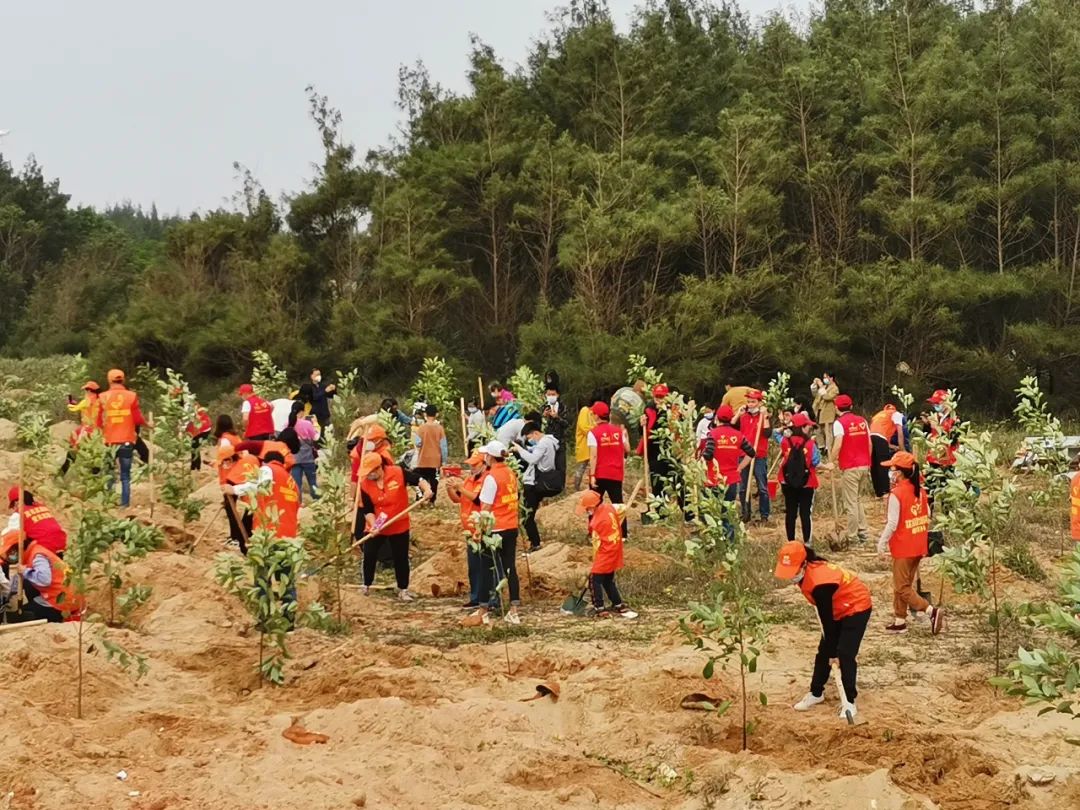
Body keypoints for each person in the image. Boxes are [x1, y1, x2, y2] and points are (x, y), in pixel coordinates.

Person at [774, 541, 872, 721]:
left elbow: (827, 622)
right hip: (837, 608)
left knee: (844, 654)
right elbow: (827, 625)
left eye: (794, 571)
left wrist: (834, 653)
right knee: (824, 652)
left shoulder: (821, 584)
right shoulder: (807, 574)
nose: (791, 576)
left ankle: (849, 700)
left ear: (804, 564)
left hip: (856, 607)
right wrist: (829, 650)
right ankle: (816, 692)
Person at [877, 452, 945, 635]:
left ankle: (930, 611)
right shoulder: (920, 491)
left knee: (902, 587)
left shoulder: (897, 494)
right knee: (904, 582)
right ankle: (900, 620)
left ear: (900, 472)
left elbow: (892, 523)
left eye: (892, 468)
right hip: (918, 544)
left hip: (903, 546)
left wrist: (881, 543)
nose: (890, 472)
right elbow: (928, 515)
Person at [355, 452, 433, 601]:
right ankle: (366, 585)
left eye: (370, 472)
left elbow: (418, 479)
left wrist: (427, 489)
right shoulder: (365, 484)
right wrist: (373, 526)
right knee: (369, 554)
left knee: (400, 557)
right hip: (378, 522)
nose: (368, 476)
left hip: (399, 523)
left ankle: (403, 589)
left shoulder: (397, 472)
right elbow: (368, 510)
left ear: (378, 468)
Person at [474, 441, 521, 623]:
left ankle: (483, 609)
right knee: (510, 568)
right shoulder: (510, 473)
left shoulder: (491, 477)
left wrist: (479, 530)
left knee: (486, 568)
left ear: (490, 457)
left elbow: (485, 507)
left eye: (486, 455)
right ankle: (514, 610)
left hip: (495, 529)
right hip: (511, 526)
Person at [0, 529, 84, 622]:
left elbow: (44, 580)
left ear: (19, 547)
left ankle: (52, 617)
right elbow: (17, 582)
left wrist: (25, 571)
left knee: (21, 617)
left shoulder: (38, 556)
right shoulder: (33, 551)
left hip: (63, 600)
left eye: (11, 552)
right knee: (27, 582)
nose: (10, 555)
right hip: (66, 595)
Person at [701, 404, 755, 538]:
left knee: (712, 513)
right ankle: (729, 543)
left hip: (714, 479)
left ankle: (714, 541)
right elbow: (751, 452)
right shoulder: (738, 435)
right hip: (731, 480)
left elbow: (708, 454)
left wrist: (701, 461)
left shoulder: (713, 434)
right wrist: (740, 467)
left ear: (717, 419)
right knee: (728, 513)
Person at [577, 490, 633, 618]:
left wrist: (596, 560)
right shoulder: (610, 508)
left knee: (594, 579)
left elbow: (596, 544)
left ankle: (599, 608)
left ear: (591, 507)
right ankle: (618, 604)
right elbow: (623, 508)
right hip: (616, 548)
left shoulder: (596, 523)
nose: (586, 511)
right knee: (608, 579)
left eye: (586, 509)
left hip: (605, 551)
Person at [98, 368, 146, 508]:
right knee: (125, 476)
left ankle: (109, 502)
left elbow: (98, 422)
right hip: (126, 440)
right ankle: (125, 504)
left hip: (108, 441)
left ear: (109, 380)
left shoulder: (102, 397)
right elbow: (138, 419)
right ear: (123, 380)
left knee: (109, 474)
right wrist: (149, 425)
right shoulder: (131, 396)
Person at [445, 452, 486, 609]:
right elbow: (458, 499)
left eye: (475, 464)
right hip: (469, 530)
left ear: (484, 464)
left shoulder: (486, 480)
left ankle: (487, 598)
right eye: (470, 464)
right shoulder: (469, 479)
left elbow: (476, 498)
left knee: (484, 564)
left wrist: (460, 488)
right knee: (474, 566)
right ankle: (475, 597)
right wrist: (451, 489)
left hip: (481, 529)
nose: (472, 467)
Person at [512, 422, 561, 552]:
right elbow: (535, 451)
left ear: (535, 433)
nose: (530, 440)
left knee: (527, 516)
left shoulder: (544, 442)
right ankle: (535, 542)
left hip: (534, 483)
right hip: (538, 481)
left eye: (529, 438)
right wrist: (525, 449)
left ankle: (535, 543)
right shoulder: (549, 441)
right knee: (528, 515)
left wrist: (520, 450)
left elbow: (533, 459)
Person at [831, 394, 871, 545]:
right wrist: (868, 461)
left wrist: (831, 461)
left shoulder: (839, 423)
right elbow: (869, 443)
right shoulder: (862, 421)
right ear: (851, 406)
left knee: (850, 503)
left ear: (836, 408)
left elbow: (838, 444)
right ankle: (863, 531)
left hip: (850, 466)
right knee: (858, 499)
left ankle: (853, 536)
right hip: (864, 465)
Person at [778, 412, 823, 546]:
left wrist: (784, 428)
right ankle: (807, 543)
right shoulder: (810, 444)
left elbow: (775, 434)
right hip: (807, 482)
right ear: (803, 427)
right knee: (805, 513)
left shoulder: (785, 441)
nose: (809, 428)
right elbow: (816, 462)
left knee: (790, 512)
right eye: (807, 426)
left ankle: (790, 541)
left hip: (787, 481)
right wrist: (828, 466)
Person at [737, 389, 771, 524]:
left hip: (759, 454)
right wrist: (738, 414)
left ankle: (764, 515)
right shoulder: (744, 416)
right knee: (743, 486)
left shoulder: (763, 417)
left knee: (762, 486)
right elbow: (734, 426)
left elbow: (768, 433)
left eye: (753, 402)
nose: (750, 404)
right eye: (749, 402)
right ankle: (746, 513)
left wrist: (765, 417)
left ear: (759, 403)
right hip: (743, 454)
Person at [218, 445, 259, 553]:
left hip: (255, 502)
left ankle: (242, 545)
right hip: (256, 499)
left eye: (225, 461)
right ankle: (238, 539)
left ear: (231, 458)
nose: (224, 464)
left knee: (246, 530)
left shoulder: (238, 469)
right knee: (246, 527)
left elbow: (230, 486)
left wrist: (228, 498)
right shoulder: (251, 458)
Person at [588, 402, 630, 505]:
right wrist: (626, 435)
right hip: (615, 474)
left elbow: (593, 456)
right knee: (618, 505)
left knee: (593, 505)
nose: (592, 416)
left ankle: (595, 521)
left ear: (597, 416)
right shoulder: (619, 432)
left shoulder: (593, 433)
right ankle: (621, 522)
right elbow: (627, 449)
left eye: (593, 414)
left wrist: (592, 475)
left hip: (599, 474)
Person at [6, 487, 68, 557]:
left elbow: (10, 535)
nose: (13, 509)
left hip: (43, 548)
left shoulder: (18, 514)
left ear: (17, 502)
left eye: (12, 506)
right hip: (61, 544)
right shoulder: (42, 507)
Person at [869, 402, 906, 497]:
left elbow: (880, 437)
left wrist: (894, 447)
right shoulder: (896, 414)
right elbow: (900, 433)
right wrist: (903, 451)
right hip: (880, 438)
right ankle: (885, 491)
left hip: (871, 438)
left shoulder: (879, 415)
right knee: (883, 464)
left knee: (874, 465)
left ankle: (878, 492)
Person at [413, 404, 447, 499]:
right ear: (436, 414)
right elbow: (443, 446)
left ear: (425, 414)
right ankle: (432, 500)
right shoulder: (440, 428)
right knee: (434, 481)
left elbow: (418, 443)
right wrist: (444, 461)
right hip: (435, 460)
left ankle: (420, 499)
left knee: (421, 480)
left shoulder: (421, 428)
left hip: (423, 459)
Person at [573, 393, 600, 490]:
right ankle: (576, 489)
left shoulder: (595, 414)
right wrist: (597, 430)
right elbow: (584, 427)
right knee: (581, 468)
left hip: (593, 447)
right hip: (584, 445)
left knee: (592, 468)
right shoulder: (585, 410)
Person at [291, 416, 319, 504]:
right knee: (312, 481)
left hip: (295, 459)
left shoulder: (288, 424)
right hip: (308, 458)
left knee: (297, 483)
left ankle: (298, 502)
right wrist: (316, 426)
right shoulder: (307, 424)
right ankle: (316, 499)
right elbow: (316, 438)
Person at [811, 373, 840, 453]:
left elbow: (827, 397)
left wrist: (820, 386)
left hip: (828, 412)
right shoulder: (824, 387)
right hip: (819, 411)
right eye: (823, 377)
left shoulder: (835, 388)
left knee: (828, 430)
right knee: (817, 429)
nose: (824, 379)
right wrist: (814, 385)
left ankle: (828, 448)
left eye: (826, 377)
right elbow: (815, 395)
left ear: (831, 378)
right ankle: (821, 446)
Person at [185, 398, 213, 471]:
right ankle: (195, 466)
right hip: (201, 429)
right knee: (194, 447)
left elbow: (196, 418)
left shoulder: (193, 408)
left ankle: (195, 467)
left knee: (195, 447)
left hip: (203, 429)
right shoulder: (191, 407)